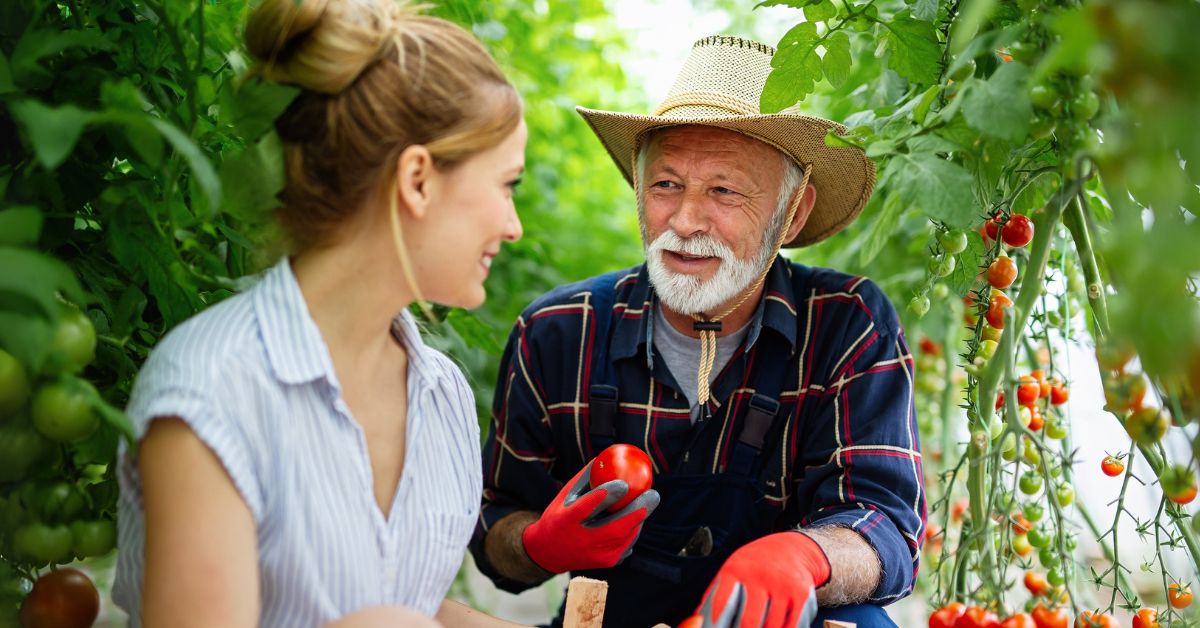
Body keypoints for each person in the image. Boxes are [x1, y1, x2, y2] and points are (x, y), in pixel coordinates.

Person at [469, 35, 926, 628]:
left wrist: (804, 555)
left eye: (724, 190)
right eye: (665, 185)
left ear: (793, 213)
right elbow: (494, 533)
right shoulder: (558, 332)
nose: (683, 222)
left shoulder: (846, 323)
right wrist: (538, 543)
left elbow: (885, 523)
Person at [113, 1, 530, 626]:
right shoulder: (212, 393)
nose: (513, 225)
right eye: (506, 185)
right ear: (418, 179)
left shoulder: (440, 394)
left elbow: (409, 600)